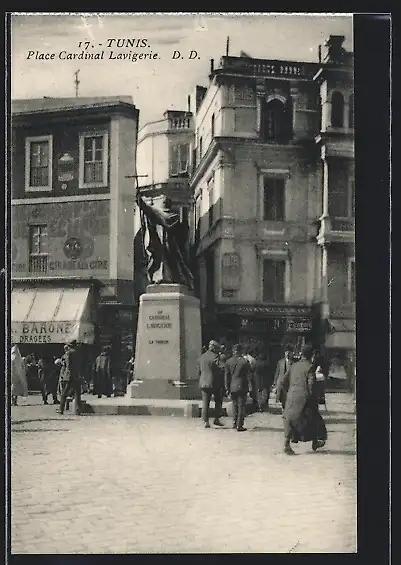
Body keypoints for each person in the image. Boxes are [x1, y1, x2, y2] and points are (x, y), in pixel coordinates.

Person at [280, 344, 328, 455]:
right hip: (305, 397)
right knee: (315, 418)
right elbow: (311, 384)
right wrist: (314, 397)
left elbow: (283, 381)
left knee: (289, 419)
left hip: (291, 396)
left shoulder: (293, 366)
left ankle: (286, 444)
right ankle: (315, 442)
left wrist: (290, 391)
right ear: (312, 355)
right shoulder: (310, 367)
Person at [197, 340, 224, 428]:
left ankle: (205, 421)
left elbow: (199, 371)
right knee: (218, 401)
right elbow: (221, 368)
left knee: (205, 403)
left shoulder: (202, 357)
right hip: (214, 382)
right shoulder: (216, 357)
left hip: (203, 382)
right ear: (215, 348)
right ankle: (216, 419)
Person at [225, 344, 251, 432]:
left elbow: (227, 377)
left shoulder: (228, 362)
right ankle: (239, 425)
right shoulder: (244, 361)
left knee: (234, 405)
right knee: (241, 406)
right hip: (242, 386)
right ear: (241, 351)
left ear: (233, 351)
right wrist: (250, 388)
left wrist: (227, 388)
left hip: (232, 386)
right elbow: (249, 375)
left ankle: (234, 422)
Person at [57, 340, 82, 415]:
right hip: (77, 374)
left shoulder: (68, 353)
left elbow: (68, 365)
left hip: (69, 375)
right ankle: (77, 410)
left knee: (64, 393)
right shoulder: (78, 353)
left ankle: (61, 409)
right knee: (77, 393)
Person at [273, 344, 294, 410]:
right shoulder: (280, 362)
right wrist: (275, 383)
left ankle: (287, 410)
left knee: (289, 398)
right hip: (281, 383)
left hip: (290, 382)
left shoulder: (294, 362)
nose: (287, 354)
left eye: (289, 352)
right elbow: (277, 373)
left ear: (291, 353)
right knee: (282, 398)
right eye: (286, 352)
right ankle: (284, 408)